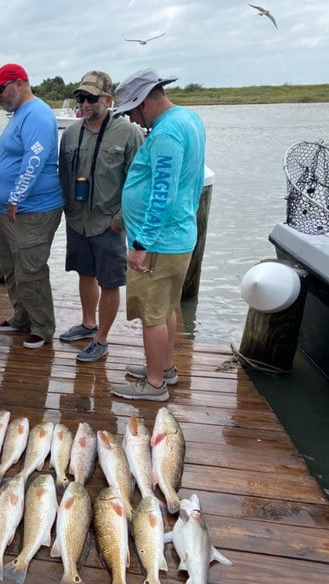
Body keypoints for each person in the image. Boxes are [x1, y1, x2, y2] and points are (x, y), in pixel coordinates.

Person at [108, 68, 206, 401]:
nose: (134, 119)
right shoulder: (187, 118)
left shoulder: (166, 133)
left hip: (159, 242)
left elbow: (162, 192)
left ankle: (153, 385)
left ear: (148, 99)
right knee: (166, 309)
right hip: (177, 236)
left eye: (134, 110)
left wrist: (140, 243)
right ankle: (164, 367)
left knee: (152, 314)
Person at [57, 71, 144, 362]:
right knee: (85, 273)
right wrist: (67, 207)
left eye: (91, 98)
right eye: (80, 97)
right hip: (78, 220)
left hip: (110, 223)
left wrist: (120, 219)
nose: (85, 103)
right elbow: (64, 174)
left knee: (109, 282)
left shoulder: (129, 133)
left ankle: (102, 339)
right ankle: (87, 323)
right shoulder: (70, 133)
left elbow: (139, 181)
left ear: (108, 99)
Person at [0, 63, 64, 349]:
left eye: (1, 90)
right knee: (12, 268)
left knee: (31, 270)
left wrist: (16, 196)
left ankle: (42, 328)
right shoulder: (19, 114)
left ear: (19, 83)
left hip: (34, 209)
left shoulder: (37, 113)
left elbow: (35, 158)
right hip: (11, 211)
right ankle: (22, 317)